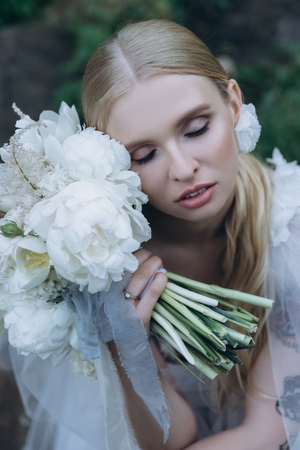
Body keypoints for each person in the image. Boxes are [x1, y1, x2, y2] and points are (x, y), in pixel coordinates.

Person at [80, 19, 300, 450]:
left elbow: (267, 434)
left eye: (196, 129)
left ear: (233, 103)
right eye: (144, 155)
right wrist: (128, 343)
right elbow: (169, 437)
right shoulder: (108, 259)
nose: (183, 169)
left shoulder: (290, 230)